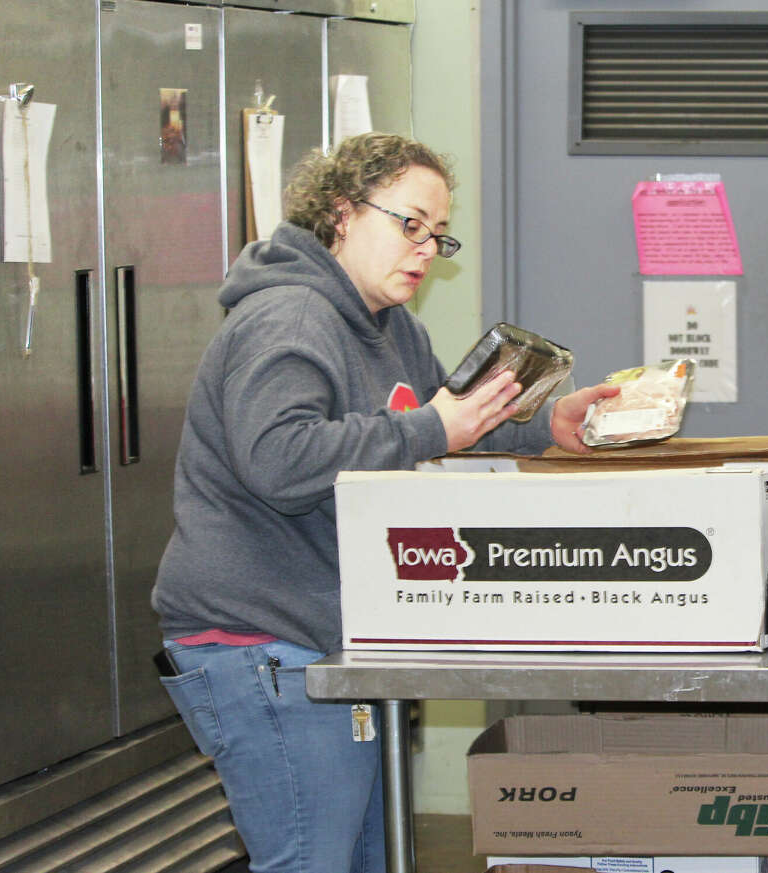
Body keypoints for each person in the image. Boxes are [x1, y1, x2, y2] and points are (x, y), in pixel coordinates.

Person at [150, 132, 619, 873]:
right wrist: (433, 424)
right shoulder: (290, 317)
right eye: (410, 223)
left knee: (368, 857)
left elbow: (444, 426)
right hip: (261, 639)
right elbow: (278, 459)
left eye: (438, 233)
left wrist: (546, 428)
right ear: (341, 212)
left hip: (332, 638)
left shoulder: (392, 327)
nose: (427, 248)